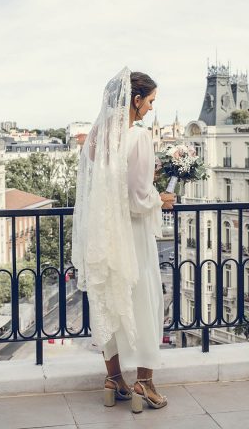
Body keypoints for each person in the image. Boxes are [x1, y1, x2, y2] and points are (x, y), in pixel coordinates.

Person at [72, 68, 175, 413]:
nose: (150, 109)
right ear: (135, 99)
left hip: (101, 236)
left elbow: (104, 189)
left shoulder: (95, 140)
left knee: (110, 302)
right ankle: (144, 383)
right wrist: (160, 199)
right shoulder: (139, 137)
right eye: (150, 101)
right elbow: (136, 197)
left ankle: (113, 378)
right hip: (130, 235)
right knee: (145, 300)